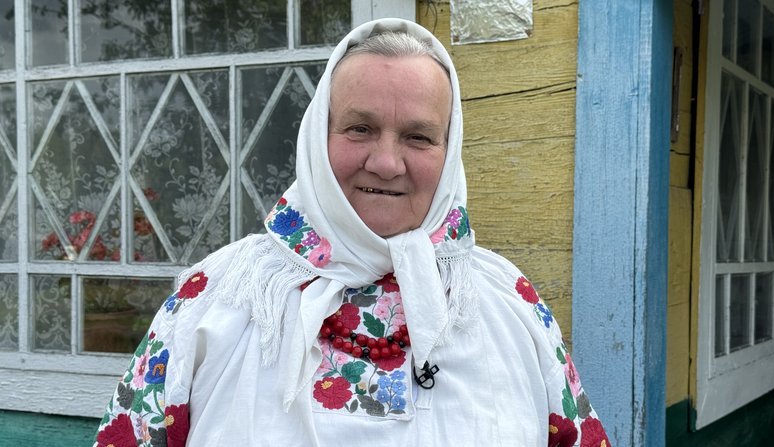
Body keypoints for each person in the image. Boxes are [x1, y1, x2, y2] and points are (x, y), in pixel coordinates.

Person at [94, 18, 610, 447]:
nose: (386, 163)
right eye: (359, 128)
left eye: (418, 136)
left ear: (449, 152)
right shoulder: (220, 297)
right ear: (317, 138)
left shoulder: (507, 303)